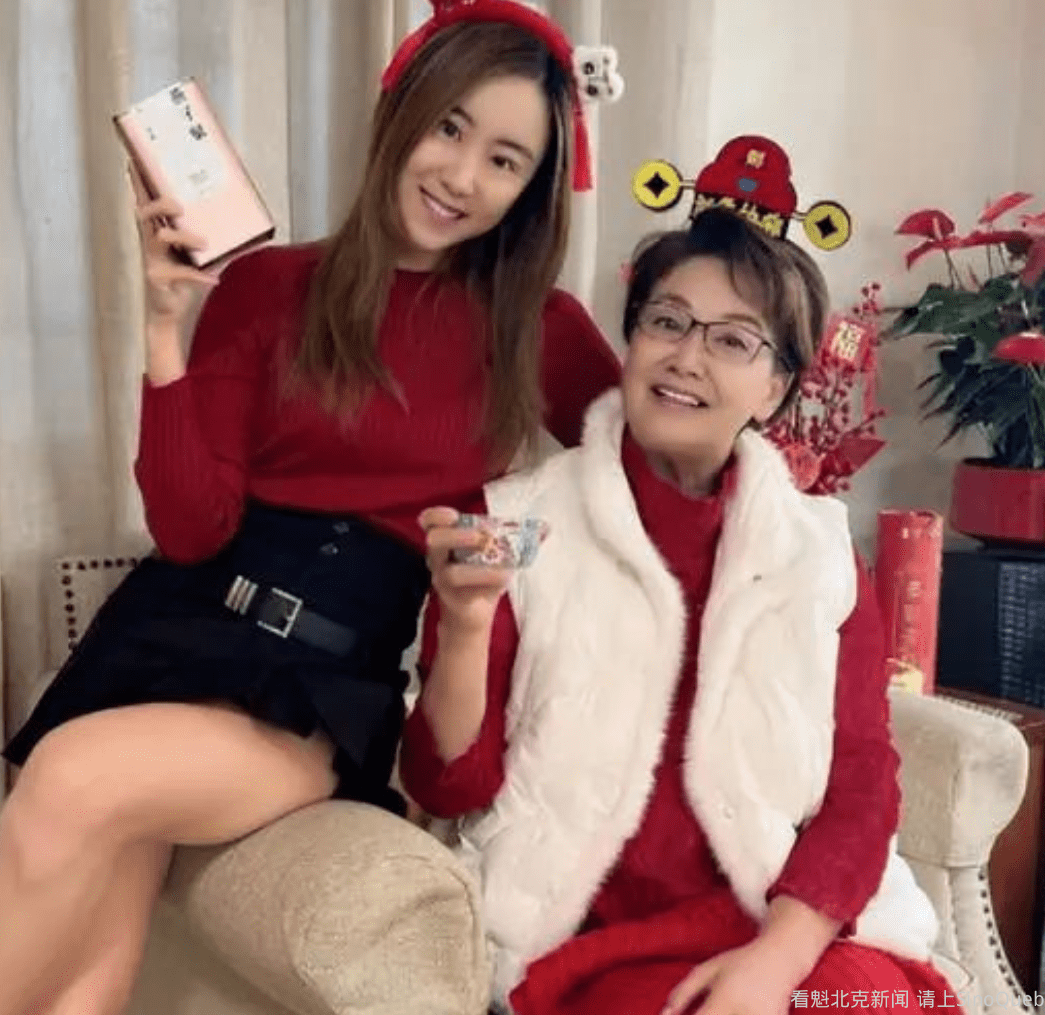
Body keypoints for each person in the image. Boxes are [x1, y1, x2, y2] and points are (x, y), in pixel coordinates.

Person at [0, 0, 622, 1015]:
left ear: (531, 190)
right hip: (176, 620)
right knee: (91, 958)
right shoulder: (268, 283)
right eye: (449, 128)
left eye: (504, 159)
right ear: (402, 113)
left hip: (320, 681)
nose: (461, 174)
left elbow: (637, 466)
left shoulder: (537, 329)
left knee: (72, 779)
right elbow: (190, 528)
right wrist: (164, 334)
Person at [403, 147, 962, 1015]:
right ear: (631, 340)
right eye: (666, 321)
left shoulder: (818, 551)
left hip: (788, 922)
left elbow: (862, 780)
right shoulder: (514, 524)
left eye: (732, 340)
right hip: (596, 937)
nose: (686, 357)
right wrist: (467, 623)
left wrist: (779, 957)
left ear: (776, 389)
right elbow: (449, 788)